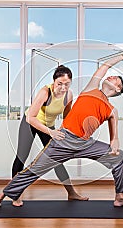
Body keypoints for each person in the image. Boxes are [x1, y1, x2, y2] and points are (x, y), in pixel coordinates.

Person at [0, 52, 123, 212]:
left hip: (85, 144)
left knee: (120, 157)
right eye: (111, 76)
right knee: (32, 170)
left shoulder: (112, 111)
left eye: (115, 78)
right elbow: (105, 66)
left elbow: (114, 138)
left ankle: (120, 197)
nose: (110, 76)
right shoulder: (91, 88)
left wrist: (114, 141)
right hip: (64, 140)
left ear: (117, 89)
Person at [11, 65, 88, 206]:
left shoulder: (69, 95)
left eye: (67, 84)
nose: (63, 87)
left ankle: (71, 193)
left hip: (49, 125)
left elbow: (67, 116)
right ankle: (15, 195)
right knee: (21, 157)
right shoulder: (45, 92)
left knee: (56, 159)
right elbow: (31, 118)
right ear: (54, 82)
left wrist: (72, 131)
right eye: (60, 84)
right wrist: (51, 132)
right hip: (30, 123)